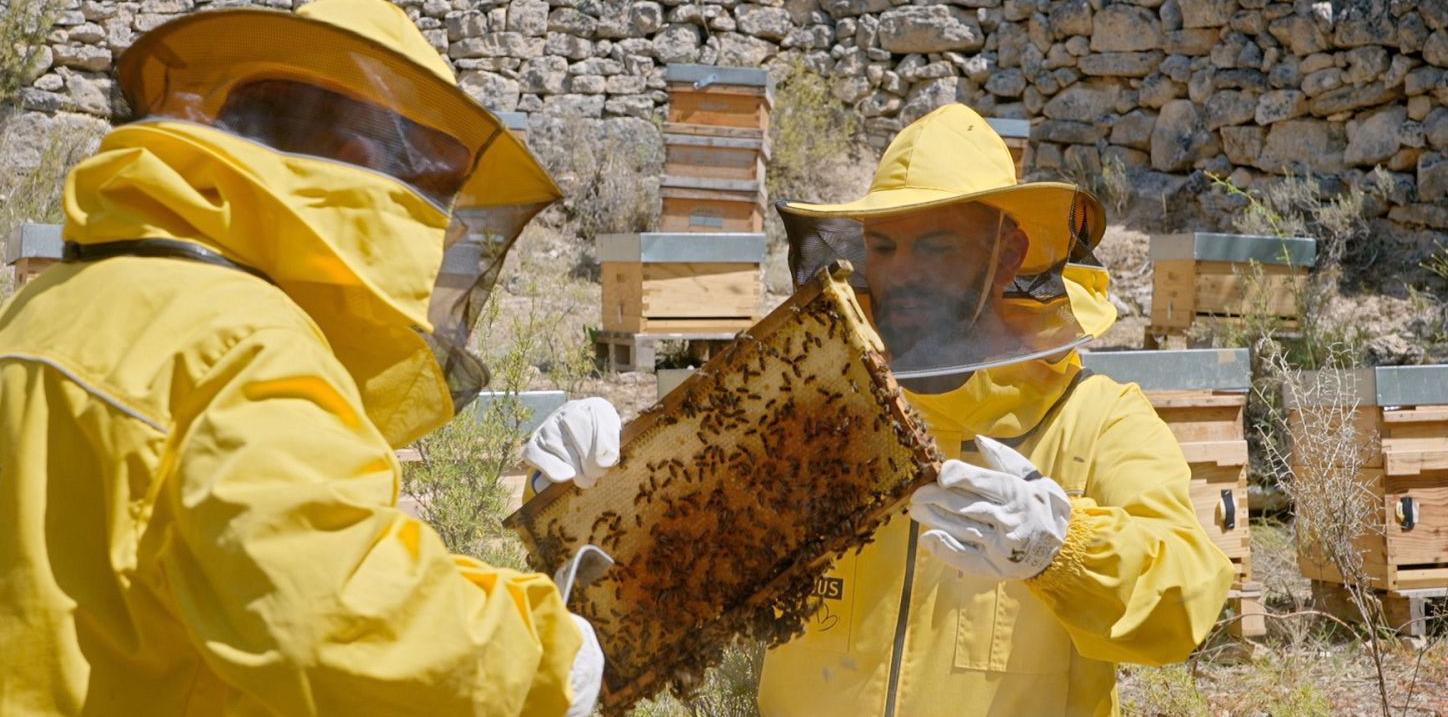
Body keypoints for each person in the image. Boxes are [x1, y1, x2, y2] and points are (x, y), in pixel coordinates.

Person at [0, 0, 603, 716]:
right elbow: (334, 615)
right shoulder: (243, 347)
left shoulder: (35, 313)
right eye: (431, 191)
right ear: (358, 166)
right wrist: (547, 657)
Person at [524, 103, 1233, 716]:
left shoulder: (1096, 419)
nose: (903, 272)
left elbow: (1187, 605)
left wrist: (1063, 548)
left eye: (937, 246)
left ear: (1008, 252)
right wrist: (583, 490)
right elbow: (659, 569)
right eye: (885, 246)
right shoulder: (812, 410)